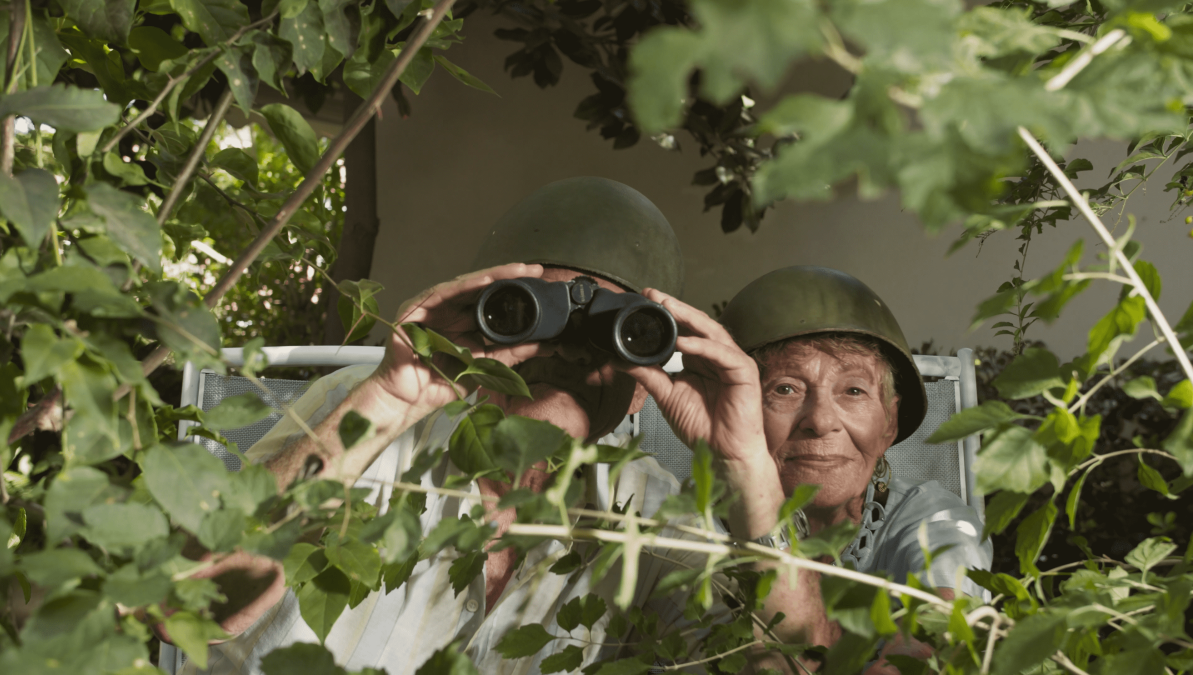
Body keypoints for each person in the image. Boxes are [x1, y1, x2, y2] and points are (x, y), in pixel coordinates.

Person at [174, 177, 718, 674]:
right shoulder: (361, 412)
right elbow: (184, 605)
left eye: (615, 332)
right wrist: (390, 400)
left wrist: (746, 467)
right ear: (486, 326)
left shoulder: (649, 510)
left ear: (643, 385)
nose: (570, 352)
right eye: (537, 318)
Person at [625, 265, 992, 673]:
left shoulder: (935, 522)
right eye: (786, 389)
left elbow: (935, 639)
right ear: (736, 405)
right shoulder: (682, 530)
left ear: (889, 423)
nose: (820, 420)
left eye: (853, 390)